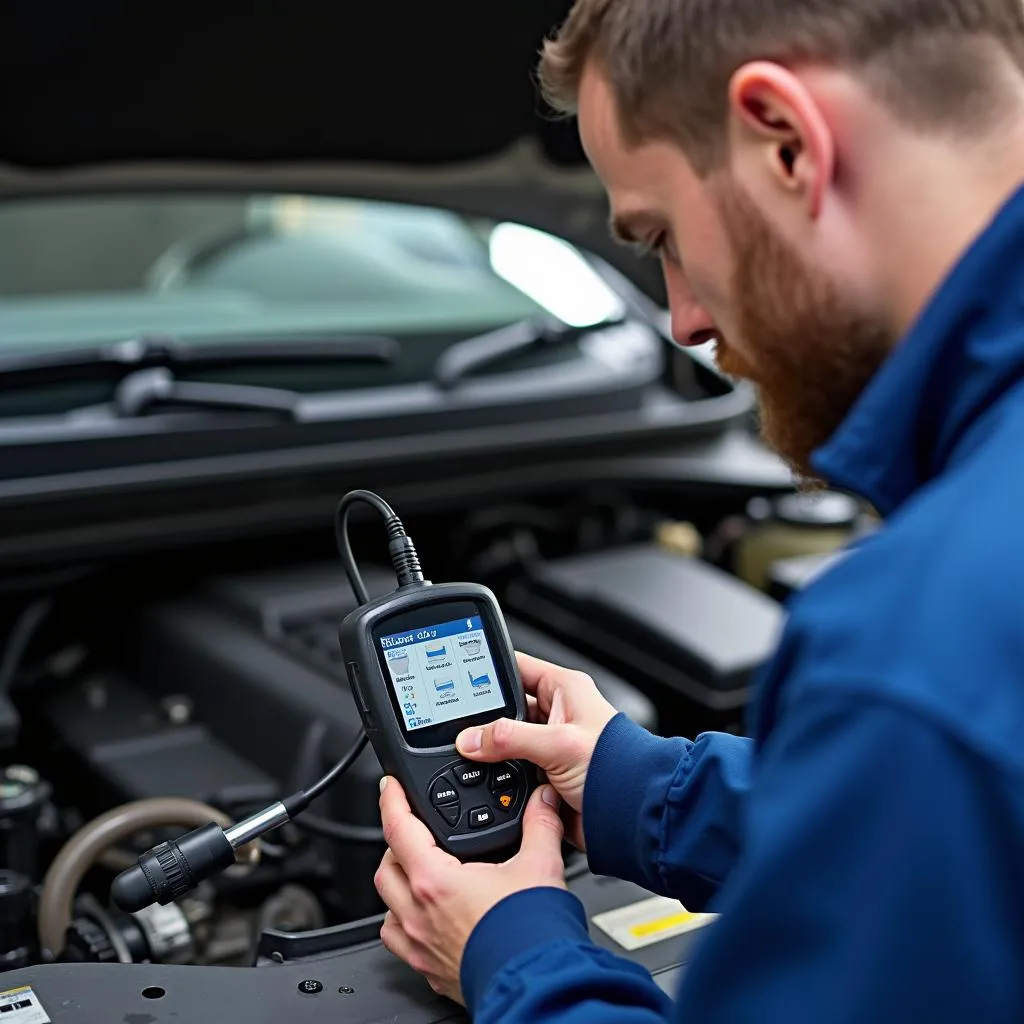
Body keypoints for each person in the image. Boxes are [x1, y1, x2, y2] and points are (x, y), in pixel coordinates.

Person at [372, 0, 1024, 1019]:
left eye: (662, 235)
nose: (684, 318)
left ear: (785, 142)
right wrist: (647, 789)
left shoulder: (914, 651)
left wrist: (514, 956)